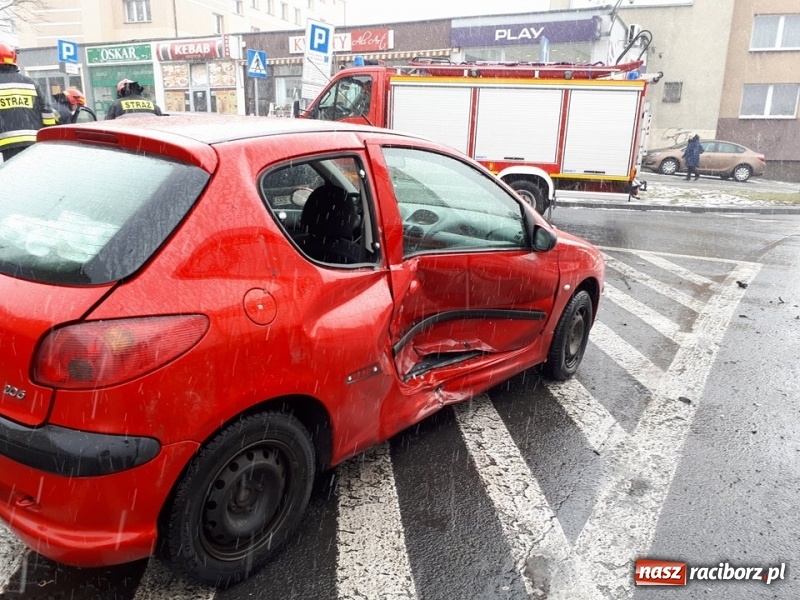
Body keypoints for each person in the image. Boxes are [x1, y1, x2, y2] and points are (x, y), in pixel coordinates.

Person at [0, 41, 58, 162]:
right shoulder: (31, 83)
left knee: (13, 175)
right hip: (34, 142)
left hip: (6, 145)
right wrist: (50, 137)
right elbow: (47, 114)